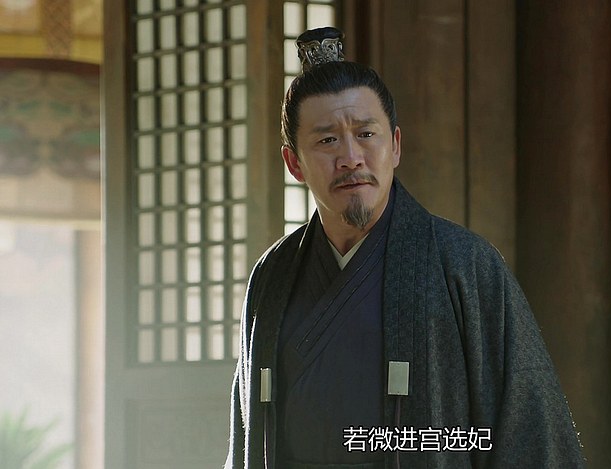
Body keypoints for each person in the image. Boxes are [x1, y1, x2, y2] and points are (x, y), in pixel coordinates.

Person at [224, 27, 585, 469]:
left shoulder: (463, 264)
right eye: (327, 140)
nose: (351, 157)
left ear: (395, 145)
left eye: (366, 134)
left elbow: (531, 430)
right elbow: (247, 435)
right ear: (294, 163)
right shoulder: (273, 275)